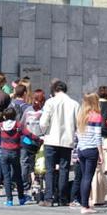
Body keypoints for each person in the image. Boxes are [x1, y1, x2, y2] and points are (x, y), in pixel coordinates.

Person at [38, 79, 79, 207]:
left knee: (49, 169)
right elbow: (78, 123)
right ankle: (62, 198)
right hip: (67, 141)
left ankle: (49, 198)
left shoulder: (50, 102)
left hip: (51, 139)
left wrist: (43, 131)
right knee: (64, 169)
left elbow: (43, 122)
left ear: (54, 90)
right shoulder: (74, 104)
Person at [74, 92, 104, 214]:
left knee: (83, 177)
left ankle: (84, 202)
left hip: (81, 148)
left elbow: (77, 134)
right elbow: (98, 136)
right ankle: (85, 206)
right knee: (88, 177)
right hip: (91, 149)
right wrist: (101, 153)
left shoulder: (81, 115)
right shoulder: (96, 116)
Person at [0, 106, 27, 206]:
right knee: (18, 175)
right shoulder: (18, 125)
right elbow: (28, 134)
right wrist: (38, 139)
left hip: (4, 153)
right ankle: (21, 198)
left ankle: (9, 200)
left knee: (6, 177)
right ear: (14, 115)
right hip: (15, 153)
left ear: (5, 116)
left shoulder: (1, 125)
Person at [20, 88, 45, 198]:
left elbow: (22, 125)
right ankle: (37, 183)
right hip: (40, 141)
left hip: (27, 140)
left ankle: (26, 186)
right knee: (38, 164)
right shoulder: (44, 111)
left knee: (25, 163)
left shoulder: (27, 110)